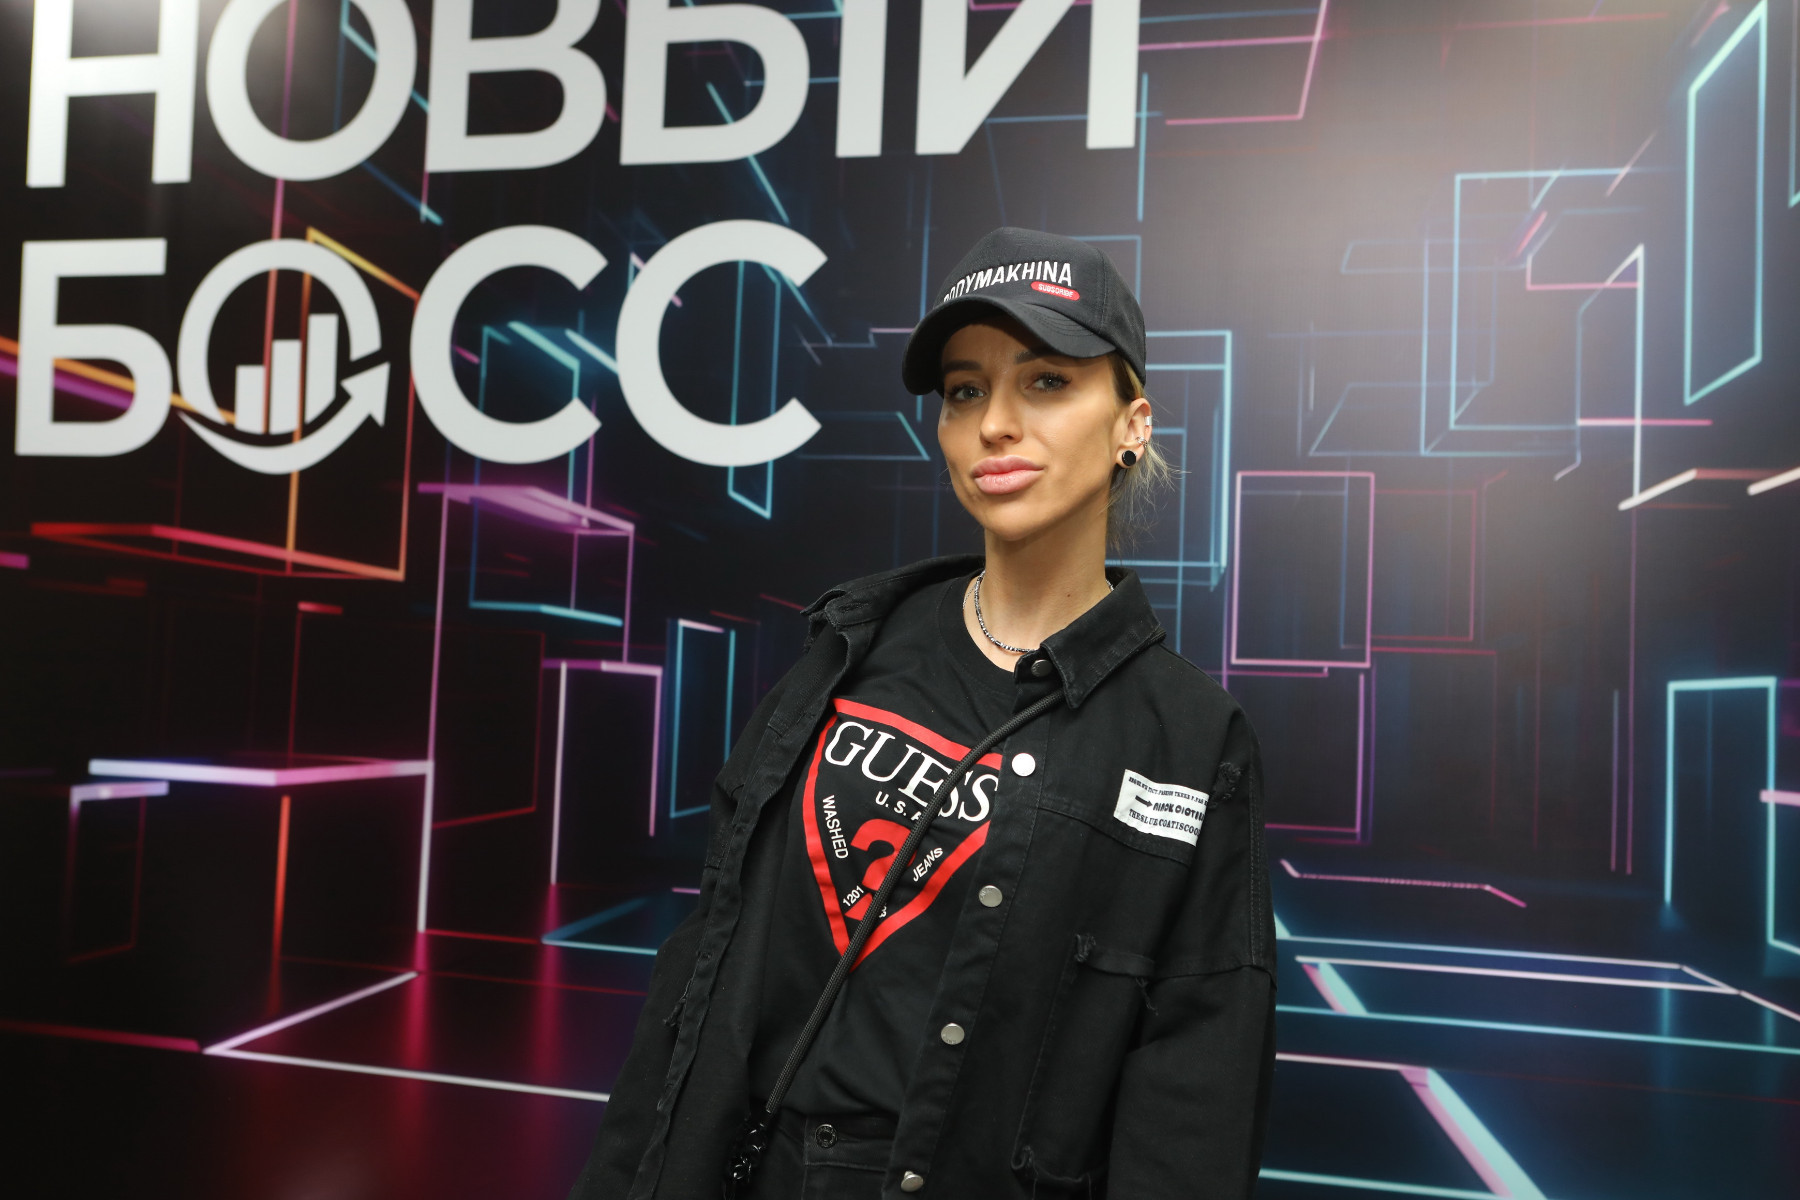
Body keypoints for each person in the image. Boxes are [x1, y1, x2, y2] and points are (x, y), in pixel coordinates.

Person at [568, 227, 1275, 1200]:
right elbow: (701, 976)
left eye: (1047, 382)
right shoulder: (849, 648)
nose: (995, 425)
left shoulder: (1192, 741)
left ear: (1132, 424)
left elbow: (1194, 1098)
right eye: (965, 390)